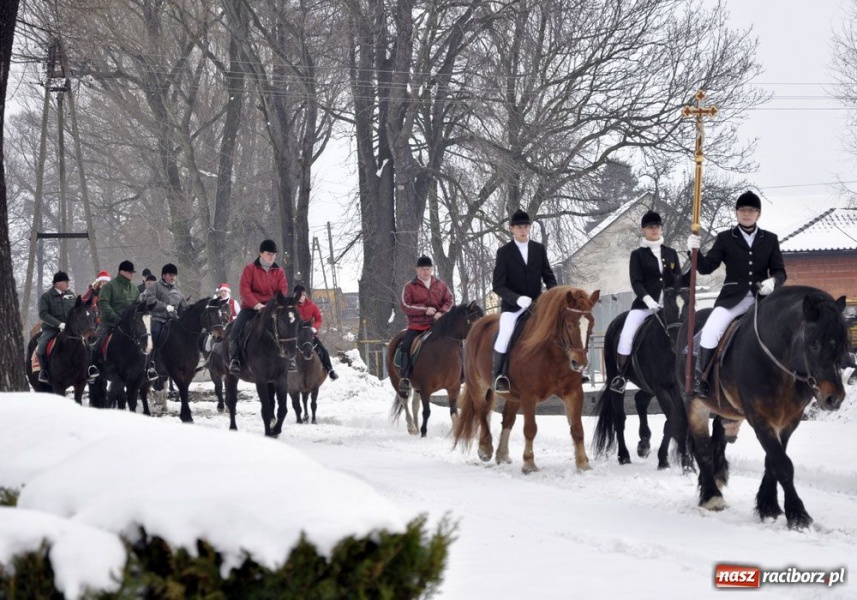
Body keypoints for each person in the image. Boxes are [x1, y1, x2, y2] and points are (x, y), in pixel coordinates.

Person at [687, 190, 786, 398]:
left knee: (785, 331)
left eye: (751, 210)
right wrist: (693, 251)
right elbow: (706, 268)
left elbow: (780, 272)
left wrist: (773, 281)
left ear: (758, 214)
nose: (747, 214)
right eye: (742, 210)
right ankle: (702, 380)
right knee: (711, 330)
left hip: (763, 298)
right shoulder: (725, 238)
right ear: (736, 213)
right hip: (732, 299)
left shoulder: (770, 239)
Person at [609, 210, 688, 394]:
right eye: (650, 227)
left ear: (661, 228)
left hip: (670, 307)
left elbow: (677, 279)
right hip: (645, 306)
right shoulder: (638, 255)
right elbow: (636, 281)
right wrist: (648, 300)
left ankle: (695, 371)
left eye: (657, 226)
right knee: (626, 336)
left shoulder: (671, 253)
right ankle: (621, 376)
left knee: (688, 333)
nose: (654, 229)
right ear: (643, 229)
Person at [491, 210, 557, 392]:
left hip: (537, 305)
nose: (523, 230)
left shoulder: (538, 249)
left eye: (526, 226)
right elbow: (498, 285)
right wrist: (517, 299)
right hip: (513, 307)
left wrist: (555, 295)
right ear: (511, 228)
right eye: (519, 227)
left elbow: (548, 276)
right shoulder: (504, 252)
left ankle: (569, 369)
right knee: (505, 333)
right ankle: (499, 375)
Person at [228, 239, 289, 374]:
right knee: (236, 328)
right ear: (260, 253)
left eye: (274, 254)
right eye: (268, 253)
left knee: (289, 325)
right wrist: (257, 305)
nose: (271, 256)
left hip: (272, 308)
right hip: (250, 307)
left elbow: (282, 290)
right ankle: (234, 359)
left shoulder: (279, 271)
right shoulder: (250, 269)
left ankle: (291, 357)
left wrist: (271, 305)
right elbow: (244, 289)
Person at [397, 255, 453, 398]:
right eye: (423, 269)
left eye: (428, 269)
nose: (426, 272)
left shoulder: (441, 285)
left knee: (455, 341)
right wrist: (425, 310)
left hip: (437, 324)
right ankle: (404, 378)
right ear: (417, 270)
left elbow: (449, 300)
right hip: (417, 325)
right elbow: (405, 306)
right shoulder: (409, 287)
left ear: (432, 269)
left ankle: (460, 372)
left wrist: (441, 312)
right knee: (406, 345)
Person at [36, 271, 77, 383]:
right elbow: (43, 314)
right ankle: (44, 371)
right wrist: (59, 324)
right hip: (51, 329)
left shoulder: (71, 295)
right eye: (66, 282)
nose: (68, 284)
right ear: (58, 283)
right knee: (41, 347)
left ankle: (88, 368)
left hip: (71, 329)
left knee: (86, 342)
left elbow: (76, 311)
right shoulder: (46, 297)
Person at [293, 284, 338, 380]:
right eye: (298, 296)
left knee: (323, 350)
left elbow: (319, 319)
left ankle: (330, 370)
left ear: (305, 295)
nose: (300, 298)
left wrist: (314, 328)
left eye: (302, 295)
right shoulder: (292, 307)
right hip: (296, 334)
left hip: (310, 333)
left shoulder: (312, 306)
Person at [141, 263, 188, 345]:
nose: (172, 277)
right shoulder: (155, 286)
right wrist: (165, 307)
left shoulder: (178, 292)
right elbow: (150, 300)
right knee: (155, 333)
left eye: (174, 275)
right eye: (170, 275)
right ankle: (150, 355)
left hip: (174, 320)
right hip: (157, 318)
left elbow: (184, 308)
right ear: (163, 276)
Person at [98, 261, 142, 332]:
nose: (132, 275)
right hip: (109, 324)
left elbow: (137, 305)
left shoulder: (135, 289)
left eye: (132, 273)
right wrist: (114, 317)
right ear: (122, 272)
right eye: (130, 272)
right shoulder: (109, 286)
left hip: (129, 325)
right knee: (96, 341)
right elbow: (103, 303)